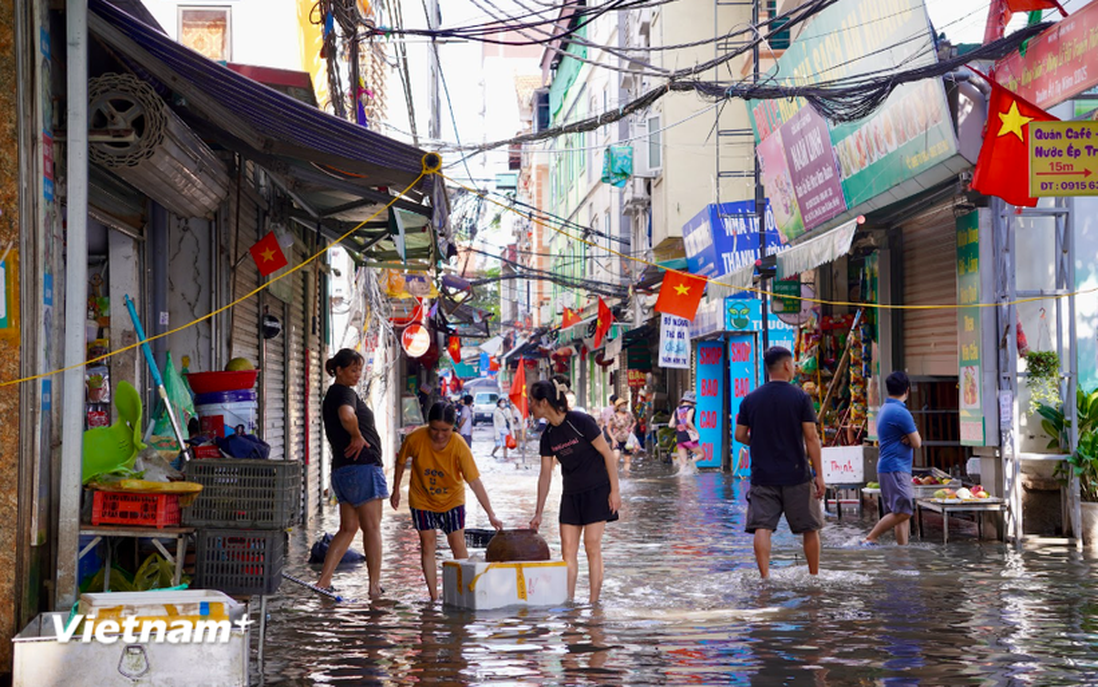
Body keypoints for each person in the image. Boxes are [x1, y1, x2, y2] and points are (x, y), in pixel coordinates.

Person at [391, 402, 504, 601]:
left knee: (457, 544)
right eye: (434, 429)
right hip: (421, 499)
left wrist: (490, 513)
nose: (439, 435)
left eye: (445, 430)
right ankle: (434, 597)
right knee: (428, 544)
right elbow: (400, 462)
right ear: (428, 424)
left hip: (452, 500)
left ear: (454, 427)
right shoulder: (415, 438)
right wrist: (395, 491)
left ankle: (465, 594)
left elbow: (474, 482)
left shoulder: (459, 445)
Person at [734, 346, 825, 579]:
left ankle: (765, 577)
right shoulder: (800, 397)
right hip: (797, 475)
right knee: (809, 527)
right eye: (793, 364)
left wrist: (760, 441)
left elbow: (740, 435)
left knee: (762, 527)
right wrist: (820, 475)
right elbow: (811, 437)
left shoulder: (750, 399)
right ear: (786, 365)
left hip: (763, 475)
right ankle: (814, 576)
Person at [529, 379, 621, 603]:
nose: (529, 406)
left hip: (597, 490)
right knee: (567, 551)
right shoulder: (548, 436)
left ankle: (593, 605)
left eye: (531, 401)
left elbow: (607, 454)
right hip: (570, 495)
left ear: (543, 402)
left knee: (592, 545)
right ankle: (569, 603)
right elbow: (545, 475)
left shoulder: (580, 421)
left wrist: (615, 491)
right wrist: (538, 512)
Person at [318, 348, 387, 597]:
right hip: (362, 467)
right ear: (339, 370)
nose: (358, 374)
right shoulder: (344, 393)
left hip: (342, 469)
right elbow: (347, 416)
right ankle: (374, 587)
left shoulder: (332, 394)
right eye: (353, 369)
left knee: (348, 528)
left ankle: (323, 581)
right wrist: (357, 435)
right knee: (372, 528)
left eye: (360, 369)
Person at [863, 371, 922, 546]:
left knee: (899, 513)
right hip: (896, 467)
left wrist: (907, 437)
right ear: (907, 390)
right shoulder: (900, 412)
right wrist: (910, 437)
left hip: (890, 467)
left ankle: (902, 552)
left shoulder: (885, 409)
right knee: (904, 512)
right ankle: (871, 537)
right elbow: (917, 442)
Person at [673, 391, 706, 473]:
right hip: (688, 437)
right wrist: (696, 432)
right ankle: (691, 462)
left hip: (679, 438)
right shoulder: (691, 409)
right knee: (701, 454)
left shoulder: (677, 410)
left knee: (683, 464)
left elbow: (671, 424)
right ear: (692, 401)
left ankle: (681, 482)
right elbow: (688, 422)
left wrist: (679, 425)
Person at [607, 397, 637, 472]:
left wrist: (632, 427)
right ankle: (615, 475)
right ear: (618, 407)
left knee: (627, 460)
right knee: (616, 456)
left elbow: (634, 421)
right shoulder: (613, 416)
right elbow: (608, 429)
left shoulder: (629, 414)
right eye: (622, 405)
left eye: (625, 404)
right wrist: (613, 439)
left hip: (628, 439)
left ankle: (627, 476)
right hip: (617, 439)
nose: (624, 406)